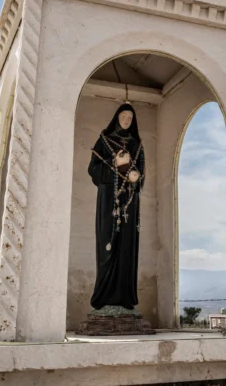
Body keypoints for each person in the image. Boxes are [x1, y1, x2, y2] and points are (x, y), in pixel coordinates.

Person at [87, 103, 145, 311]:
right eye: (123, 116)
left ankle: (125, 297)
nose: (126, 121)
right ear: (117, 117)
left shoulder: (137, 145)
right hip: (109, 201)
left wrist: (135, 177)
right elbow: (93, 170)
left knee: (127, 246)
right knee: (108, 243)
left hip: (129, 203)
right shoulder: (105, 140)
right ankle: (104, 295)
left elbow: (141, 176)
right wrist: (115, 164)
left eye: (130, 118)